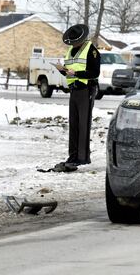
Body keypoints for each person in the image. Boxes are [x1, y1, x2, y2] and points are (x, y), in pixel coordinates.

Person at [54, 24, 100, 170]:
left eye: (75, 41)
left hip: (86, 89)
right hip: (74, 90)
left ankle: (83, 157)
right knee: (74, 124)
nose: (73, 44)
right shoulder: (70, 51)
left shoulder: (91, 50)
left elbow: (95, 72)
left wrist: (77, 74)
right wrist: (62, 70)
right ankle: (73, 155)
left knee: (83, 124)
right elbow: (70, 71)